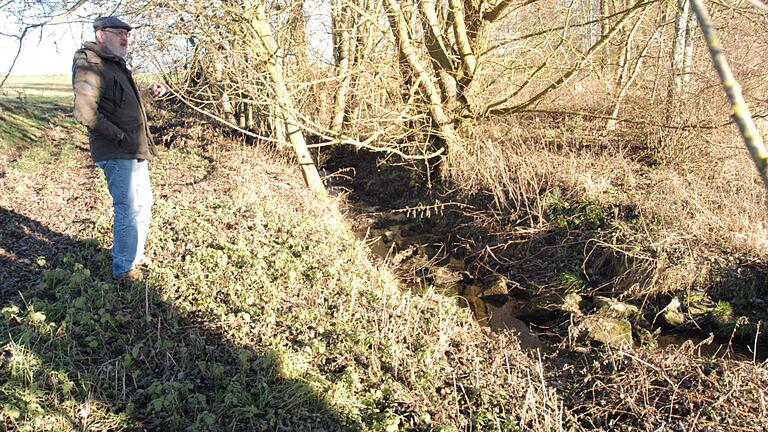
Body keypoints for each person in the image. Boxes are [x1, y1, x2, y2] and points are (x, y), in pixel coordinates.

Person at [72, 16, 166, 281]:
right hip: (116, 149)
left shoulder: (114, 64)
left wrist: (148, 93)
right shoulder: (90, 63)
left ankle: (133, 255)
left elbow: (123, 103)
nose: (125, 38)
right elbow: (84, 112)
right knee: (128, 206)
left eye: (127, 34)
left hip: (133, 147)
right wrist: (120, 137)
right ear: (101, 35)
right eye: (118, 33)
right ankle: (123, 268)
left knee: (144, 204)